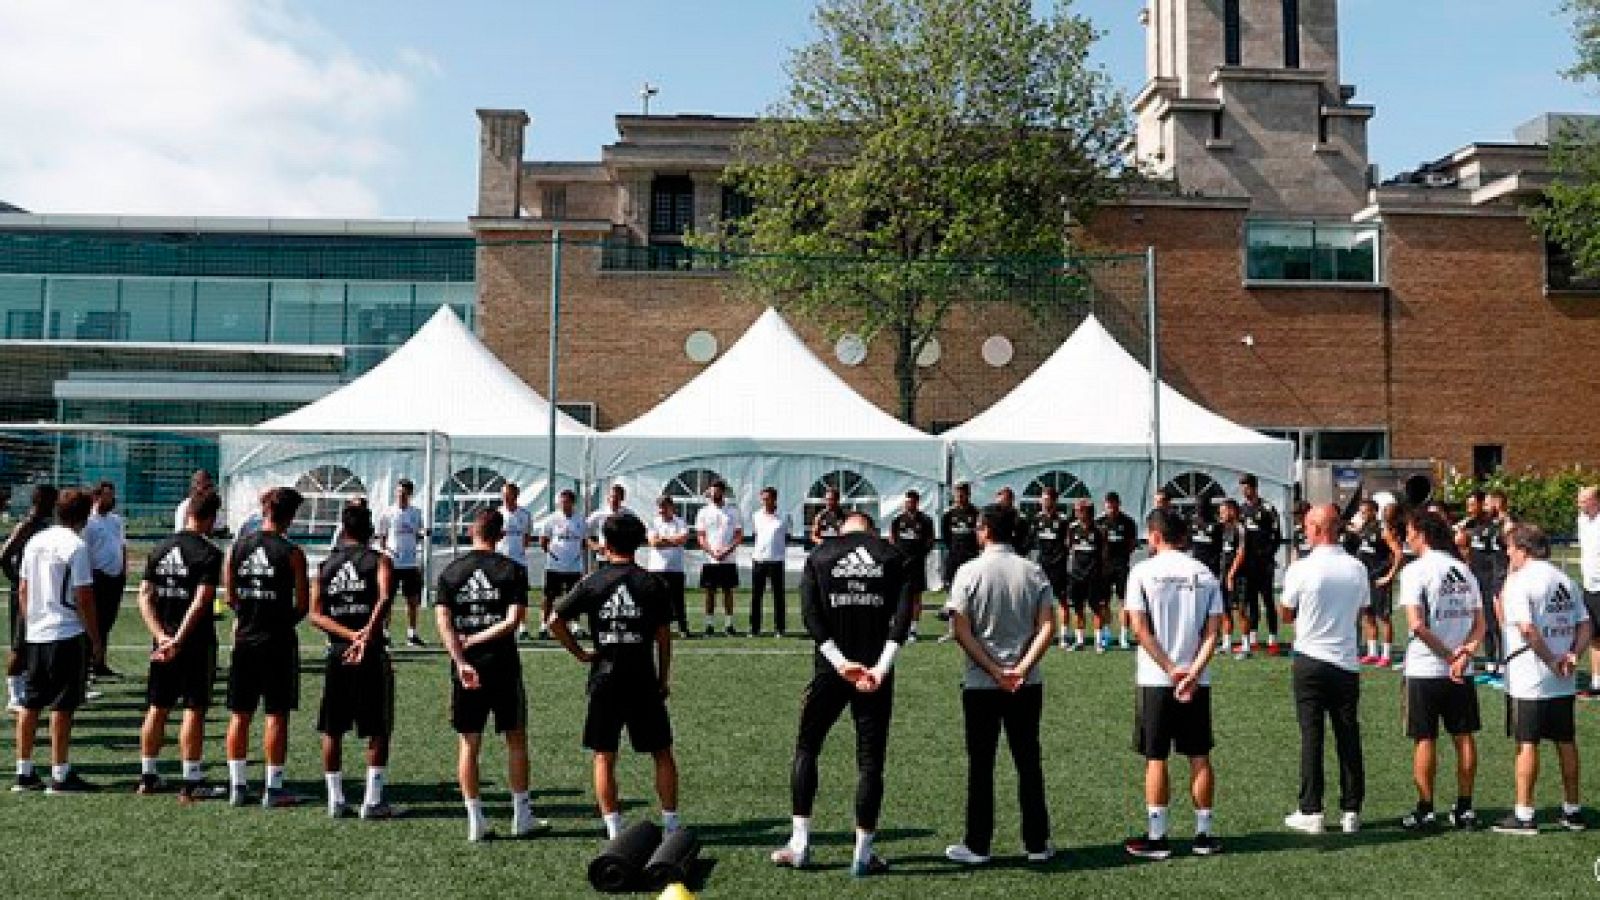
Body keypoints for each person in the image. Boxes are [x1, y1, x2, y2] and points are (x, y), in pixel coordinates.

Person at [771, 511, 913, 878]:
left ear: (841, 529)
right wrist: (880, 668)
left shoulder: (820, 555)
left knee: (807, 748)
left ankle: (799, 845)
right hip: (875, 673)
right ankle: (862, 855)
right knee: (870, 763)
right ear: (872, 529)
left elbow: (810, 615)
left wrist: (839, 662)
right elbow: (903, 619)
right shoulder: (892, 556)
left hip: (830, 670)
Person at [550, 514, 681, 839]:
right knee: (662, 752)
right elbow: (664, 638)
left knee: (604, 755)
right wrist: (663, 678)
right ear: (638, 543)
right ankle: (671, 824)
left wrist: (581, 654)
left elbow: (554, 620)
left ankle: (613, 827)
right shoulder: (653, 583)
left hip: (605, 678)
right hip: (642, 678)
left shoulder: (592, 582)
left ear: (605, 544)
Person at [943, 505, 1057, 866]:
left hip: (981, 684)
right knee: (1028, 762)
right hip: (1026, 683)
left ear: (986, 530)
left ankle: (978, 844)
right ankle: (1037, 843)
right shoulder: (1033, 571)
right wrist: (1020, 668)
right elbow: (1048, 627)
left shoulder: (968, 571)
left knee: (981, 765)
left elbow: (960, 630)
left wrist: (994, 669)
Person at [435, 508, 550, 843]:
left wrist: (461, 658)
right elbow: (513, 621)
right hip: (503, 664)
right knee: (515, 739)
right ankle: (521, 815)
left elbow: (443, 623)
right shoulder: (512, 570)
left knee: (469, 743)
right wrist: (476, 640)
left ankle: (476, 819)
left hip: (466, 668)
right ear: (501, 536)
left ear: (472, 531)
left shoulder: (452, 571)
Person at [1123, 509, 1224, 860]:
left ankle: (1158, 838)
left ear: (1154, 536)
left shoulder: (1142, 572)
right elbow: (1213, 633)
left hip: (1156, 678)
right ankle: (1203, 835)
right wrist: (1192, 672)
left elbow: (1139, 629)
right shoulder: (1205, 573)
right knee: (1199, 755)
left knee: (1156, 757)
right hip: (1197, 680)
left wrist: (1170, 669)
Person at [1494, 523, 1591, 834]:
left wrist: (1549, 659)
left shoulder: (1521, 582)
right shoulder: (1565, 580)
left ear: (1523, 550)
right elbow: (1585, 624)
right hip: (1563, 678)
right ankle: (1572, 810)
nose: (1508, 553)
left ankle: (1524, 814)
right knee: (1566, 741)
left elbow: (1526, 628)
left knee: (1527, 742)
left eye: (1510, 547)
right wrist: (1573, 655)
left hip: (1530, 677)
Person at [1279, 505, 1369, 835]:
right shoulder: (1357, 567)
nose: (1304, 531)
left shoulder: (1301, 568)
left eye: (1307, 526)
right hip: (1345, 660)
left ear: (1317, 529)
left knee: (1311, 735)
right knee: (1348, 734)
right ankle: (1351, 810)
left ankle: (1311, 809)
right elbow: (1360, 610)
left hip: (1310, 658)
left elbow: (1286, 613)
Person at [309, 503, 399, 820]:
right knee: (379, 728)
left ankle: (336, 799)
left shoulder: (325, 566)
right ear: (370, 530)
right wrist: (363, 636)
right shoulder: (380, 561)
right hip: (371, 651)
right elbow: (385, 597)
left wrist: (348, 636)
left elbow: (315, 615)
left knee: (332, 728)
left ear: (343, 530)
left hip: (337, 652)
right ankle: (372, 801)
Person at [1398, 511, 1485, 831]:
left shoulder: (1414, 571)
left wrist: (1448, 657)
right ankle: (1465, 808)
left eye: (1409, 531)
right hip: (1461, 670)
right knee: (1464, 737)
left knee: (1425, 739)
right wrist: (1465, 655)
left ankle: (1425, 809)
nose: (1407, 537)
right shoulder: (1463, 570)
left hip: (1425, 667)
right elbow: (1481, 624)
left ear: (1422, 534)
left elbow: (1416, 625)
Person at [223, 487, 310, 809]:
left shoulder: (237, 548)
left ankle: (237, 785)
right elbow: (303, 604)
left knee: (240, 714)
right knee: (276, 715)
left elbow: (230, 596)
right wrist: (280, 620)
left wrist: (248, 615)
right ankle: (273, 788)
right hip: (278, 641)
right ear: (290, 516)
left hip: (245, 640)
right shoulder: (292, 552)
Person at [136, 488, 226, 800]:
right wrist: (179, 639)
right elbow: (201, 601)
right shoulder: (209, 553)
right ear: (211, 518)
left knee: (157, 707)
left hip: (162, 642)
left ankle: (148, 776)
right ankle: (191, 780)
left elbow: (144, 595)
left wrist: (161, 636)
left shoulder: (160, 548)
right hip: (195, 643)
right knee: (193, 709)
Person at [12, 488, 102, 794]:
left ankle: (24, 771)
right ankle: (60, 773)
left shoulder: (35, 542)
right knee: (62, 706)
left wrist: (31, 622)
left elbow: (23, 589)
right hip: (66, 633)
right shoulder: (76, 546)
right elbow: (83, 596)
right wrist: (95, 638)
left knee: (31, 702)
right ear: (84, 515)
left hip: (36, 632)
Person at [3, 484, 57, 712]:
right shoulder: (26, 525)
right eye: (52, 501)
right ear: (42, 502)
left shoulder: (46, 525)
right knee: (20, 642)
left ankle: (29, 688)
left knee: (34, 639)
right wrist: (18, 580)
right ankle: (14, 695)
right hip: (24, 592)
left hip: (41, 592)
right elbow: (5, 555)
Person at [82, 481, 126, 679]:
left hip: (115, 579)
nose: (111, 499)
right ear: (96, 497)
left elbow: (122, 546)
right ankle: (88, 665)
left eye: (112, 495)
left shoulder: (116, 521)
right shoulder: (89, 522)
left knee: (107, 622)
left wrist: (123, 572)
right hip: (97, 577)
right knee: (94, 622)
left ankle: (100, 663)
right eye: (107, 495)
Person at [1236, 474, 1284, 656]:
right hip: (1247, 564)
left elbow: (1277, 536)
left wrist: (1268, 556)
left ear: (1254, 487)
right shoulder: (1241, 510)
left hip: (1264, 564)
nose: (1244, 490)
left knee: (1268, 600)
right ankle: (1254, 638)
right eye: (1242, 487)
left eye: (1246, 487)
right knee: (1251, 601)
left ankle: (1273, 640)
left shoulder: (1267, 509)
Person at [1351, 498, 1402, 668]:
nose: (1362, 514)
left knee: (1383, 617)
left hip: (1379, 579)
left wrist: (1389, 576)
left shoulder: (1383, 529)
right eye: (1361, 512)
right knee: (1368, 615)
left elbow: (1398, 553)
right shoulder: (1365, 528)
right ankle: (1372, 653)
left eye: (1365, 511)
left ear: (1374, 512)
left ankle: (1386, 655)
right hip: (1365, 579)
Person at [377, 478, 426, 648]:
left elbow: (418, 535)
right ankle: (385, 634)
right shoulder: (387, 512)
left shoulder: (416, 513)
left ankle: (412, 634)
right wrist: (387, 553)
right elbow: (382, 538)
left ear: (410, 494)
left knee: (412, 600)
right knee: (387, 600)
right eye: (398, 492)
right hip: (392, 562)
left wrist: (420, 536)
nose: (400, 496)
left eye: (404, 493)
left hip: (410, 563)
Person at [536, 489, 585, 640]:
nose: (564, 505)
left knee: (574, 596)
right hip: (554, 566)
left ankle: (575, 625)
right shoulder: (551, 519)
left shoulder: (581, 520)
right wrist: (554, 556)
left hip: (574, 566)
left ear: (573, 503)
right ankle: (544, 625)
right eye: (561, 502)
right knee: (549, 596)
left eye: (567, 502)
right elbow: (543, 541)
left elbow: (584, 541)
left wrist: (575, 555)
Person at [695, 480, 742, 637]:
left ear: (723, 492)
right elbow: (701, 536)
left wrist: (726, 551)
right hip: (710, 560)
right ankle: (709, 625)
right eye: (712, 492)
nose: (714, 494)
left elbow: (738, 535)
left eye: (717, 491)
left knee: (728, 591)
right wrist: (712, 552)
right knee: (710, 592)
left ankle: (729, 625)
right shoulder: (703, 512)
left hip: (728, 559)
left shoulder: (733, 511)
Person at [888, 490, 935, 642]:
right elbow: (892, 540)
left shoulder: (926, 520)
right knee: (896, 595)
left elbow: (930, 542)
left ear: (917, 502)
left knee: (916, 597)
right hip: (900, 565)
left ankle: (913, 630)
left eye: (911, 502)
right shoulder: (897, 520)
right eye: (907, 502)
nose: (908, 504)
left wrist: (918, 556)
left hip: (917, 565)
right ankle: (898, 626)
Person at [1028, 487, 1070, 651]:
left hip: (1059, 567)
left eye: (1048, 500)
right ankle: (1040, 633)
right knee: (1038, 601)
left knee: (1062, 601)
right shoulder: (1036, 519)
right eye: (1043, 499)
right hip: (1041, 567)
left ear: (1055, 501)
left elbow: (1069, 542)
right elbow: (1030, 542)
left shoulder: (1063, 520)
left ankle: (1064, 636)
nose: (1045, 503)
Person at [1063, 498, 1106, 652]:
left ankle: (1098, 642)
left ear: (1088, 512)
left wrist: (1100, 571)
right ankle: (1080, 641)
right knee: (1078, 608)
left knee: (1096, 608)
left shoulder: (1099, 530)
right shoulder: (1072, 528)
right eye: (1076, 510)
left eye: (1080, 510)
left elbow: (1104, 553)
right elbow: (1069, 547)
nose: (1077, 513)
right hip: (1076, 575)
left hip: (1093, 575)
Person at [939, 482, 981, 641]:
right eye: (957, 494)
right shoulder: (949, 514)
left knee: (974, 592)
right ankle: (952, 629)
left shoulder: (976, 513)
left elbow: (979, 535)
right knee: (952, 592)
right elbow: (946, 537)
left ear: (968, 495)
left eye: (962, 494)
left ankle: (973, 629)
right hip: (954, 558)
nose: (959, 497)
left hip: (971, 558)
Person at [646, 496, 692, 639]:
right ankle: (653, 629)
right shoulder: (653, 522)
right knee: (655, 601)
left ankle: (683, 628)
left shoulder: (680, 522)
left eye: (664, 506)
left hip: (675, 568)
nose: (662, 510)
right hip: (656, 568)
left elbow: (682, 539)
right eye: (660, 507)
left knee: (678, 601)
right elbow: (654, 543)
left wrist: (664, 540)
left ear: (672, 507)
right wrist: (673, 541)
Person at [1098, 492, 1139, 651]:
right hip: (1104, 568)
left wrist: (1122, 556)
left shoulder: (1128, 522)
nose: (1111, 509)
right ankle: (1107, 634)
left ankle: (1123, 636)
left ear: (1118, 504)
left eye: (1113, 506)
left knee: (1124, 601)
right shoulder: (1099, 522)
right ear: (1105, 505)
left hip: (1121, 566)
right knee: (1104, 602)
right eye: (1108, 506)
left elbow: (1132, 544)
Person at [749, 487, 791, 637]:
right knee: (756, 596)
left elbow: (787, 537)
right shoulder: (756, 516)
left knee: (778, 596)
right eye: (763, 499)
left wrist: (778, 550)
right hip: (759, 560)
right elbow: (756, 535)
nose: (764, 501)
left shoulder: (785, 516)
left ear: (774, 499)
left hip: (777, 561)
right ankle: (754, 629)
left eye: (767, 498)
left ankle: (779, 628)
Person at [498, 482, 534, 640]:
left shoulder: (525, 514)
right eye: (503, 495)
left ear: (515, 495)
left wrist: (518, 552)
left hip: (519, 562)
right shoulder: (498, 514)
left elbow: (527, 538)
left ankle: (522, 626)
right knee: (501, 595)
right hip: (500, 562)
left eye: (508, 495)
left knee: (520, 596)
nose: (505, 498)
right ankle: (502, 625)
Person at [1576, 486, 1600, 698]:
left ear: (1596, 501)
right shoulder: (1582, 520)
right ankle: (1596, 682)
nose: (1579, 504)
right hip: (1589, 586)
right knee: (1594, 635)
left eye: (1584, 500)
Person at [1218, 499, 1245, 656]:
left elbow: (1241, 553)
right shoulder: (1222, 529)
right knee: (1224, 609)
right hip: (1223, 573)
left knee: (1241, 609)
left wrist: (1231, 574)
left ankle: (1246, 645)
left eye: (1223, 511)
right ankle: (1227, 643)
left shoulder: (1240, 528)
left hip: (1238, 575)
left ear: (1232, 511)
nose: (1221, 515)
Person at [585, 482, 634, 556]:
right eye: (611, 496)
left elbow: (637, 533)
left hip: (623, 557)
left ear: (622, 498)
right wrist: (594, 545)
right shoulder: (598, 514)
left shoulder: (629, 514)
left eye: (617, 497)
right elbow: (583, 532)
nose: (613, 500)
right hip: (604, 557)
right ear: (608, 498)